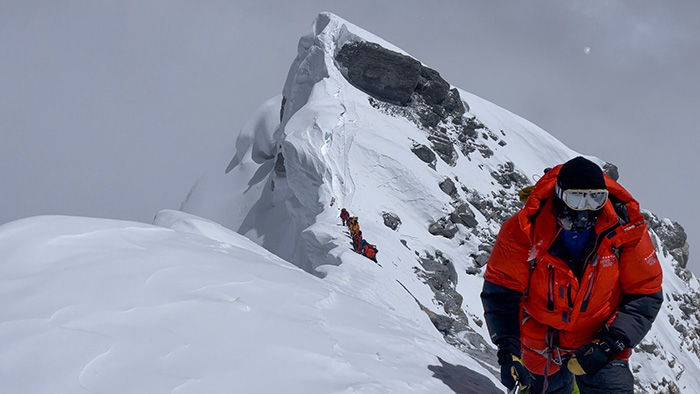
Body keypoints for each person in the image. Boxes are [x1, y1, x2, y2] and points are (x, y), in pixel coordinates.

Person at [481, 157, 662, 394]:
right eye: (575, 198)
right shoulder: (524, 230)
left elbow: (645, 293)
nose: (585, 209)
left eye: (596, 199)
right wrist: (509, 350)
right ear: (559, 196)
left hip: (598, 341)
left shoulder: (625, 230)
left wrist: (609, 345)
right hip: (540, 342)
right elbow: (502, 293)